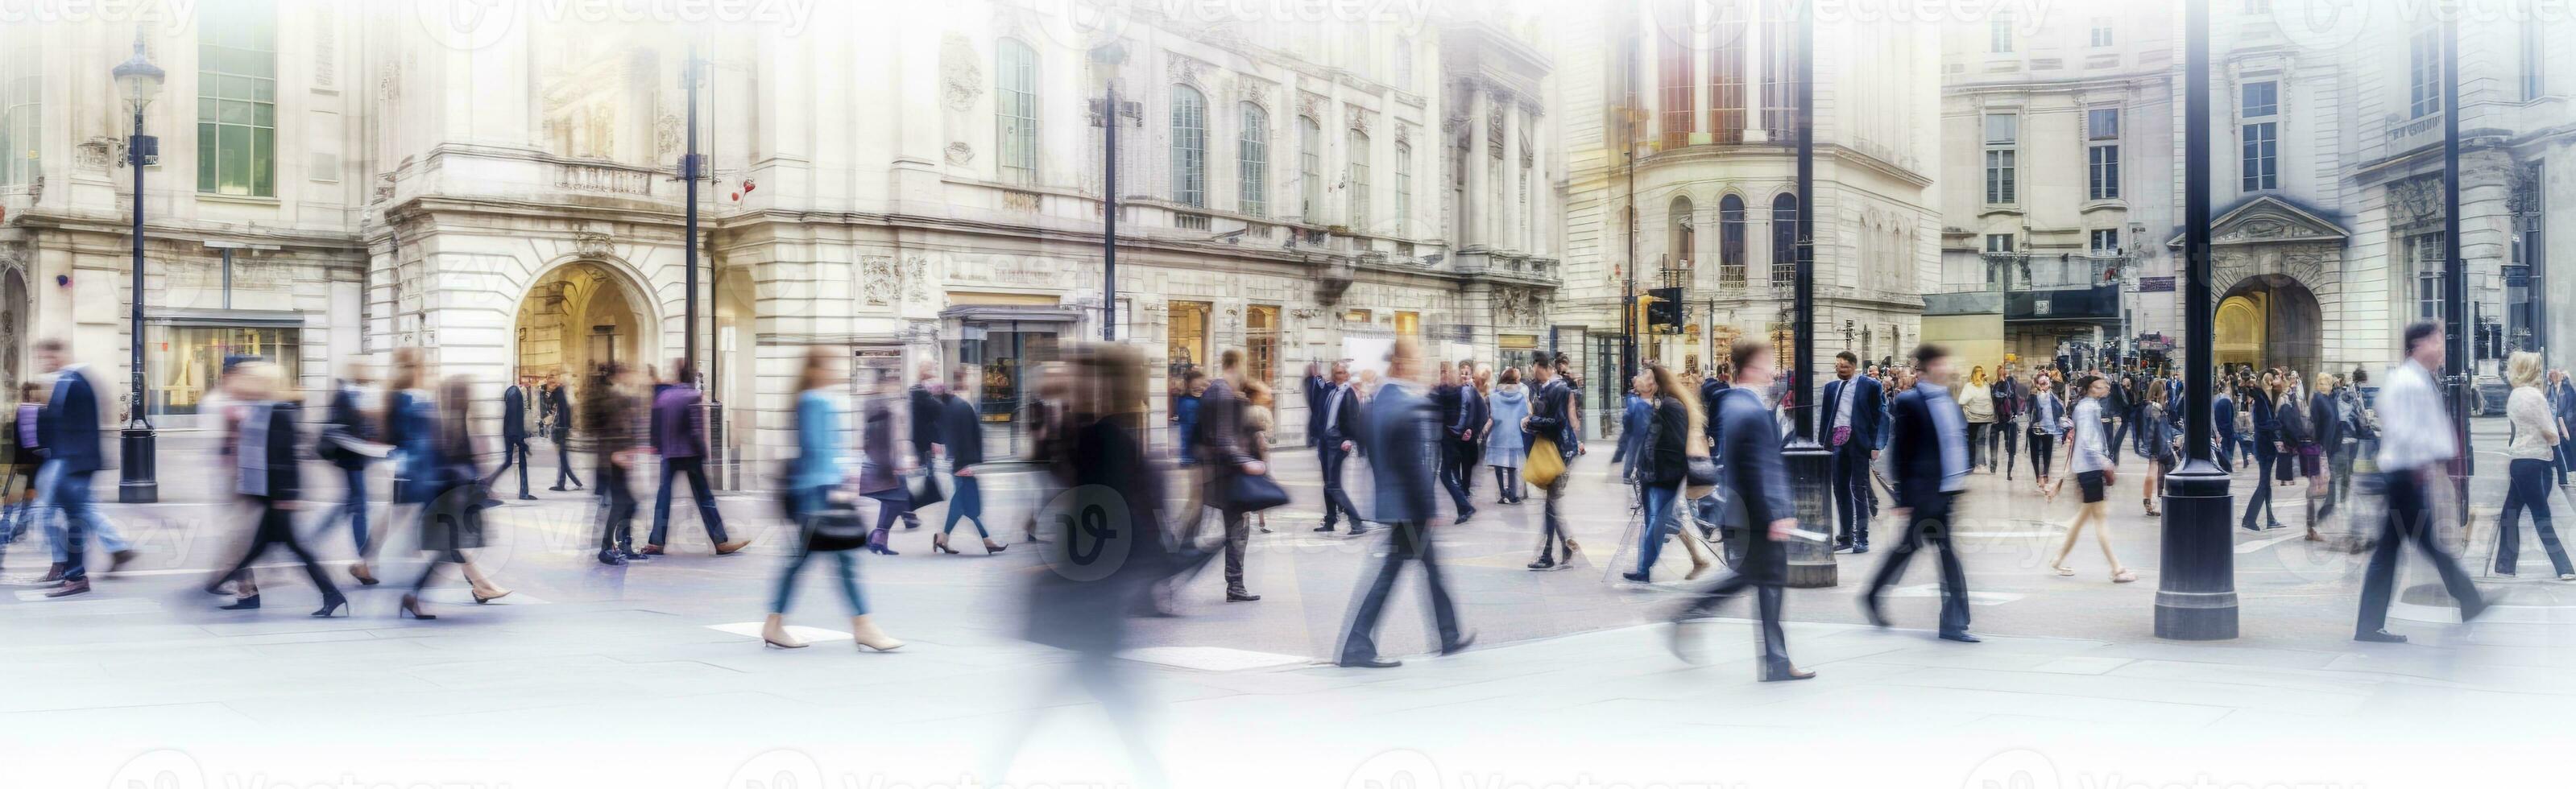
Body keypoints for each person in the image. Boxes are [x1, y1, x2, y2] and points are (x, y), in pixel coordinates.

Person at [1669, 338, 1812, 682]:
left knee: (1753, 578)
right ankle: (1775, 660)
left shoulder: (1734, 403)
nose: (1772, 370)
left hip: (1746, 511)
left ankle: (1772, 658)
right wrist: (1777, 512)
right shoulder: (1749, 409)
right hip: (1759, 513)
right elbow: (1761, 466)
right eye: (1767, 362)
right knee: (1767, 580)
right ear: (1751, 367)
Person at [1336, 337, 1472, 669]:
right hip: (1409, 506)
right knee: (1393, 575)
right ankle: (1357, 645)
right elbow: (1412, 463)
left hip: (1393, 501)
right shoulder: (1406, 404)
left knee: (1423, 570)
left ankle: (1448, 635)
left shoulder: (1379, 398)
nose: (1421, 367)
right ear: (1401, 364)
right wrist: (1427, 508)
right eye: (1416, 361)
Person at [763, 346, 905, 651]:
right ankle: (863, 627)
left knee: (803, 561)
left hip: (812, 490)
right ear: (818, 369)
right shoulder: (815, 400)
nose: (838, 370)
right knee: (841, 560)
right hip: (819, 492)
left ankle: (775, 624)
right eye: (832, 364)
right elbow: (817, 448)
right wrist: (839, 482)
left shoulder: (808, 399)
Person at [2354, 321, 2488, 643]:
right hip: (2405, 475)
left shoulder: (2418, 379)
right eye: (2436, 340)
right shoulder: (2408, 382)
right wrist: (2424, 463)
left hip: (2408, 474)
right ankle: (2469, 600)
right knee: (2410, 547)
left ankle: (2371, 625)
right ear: (2418, 345)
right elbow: (2403, 430)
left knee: (2402, 548)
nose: (2441, 347)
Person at [203, 362, 348, 617]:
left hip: (278, 496)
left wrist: (287, 496)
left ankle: (219, 582)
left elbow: (286, 459)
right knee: (275, 546)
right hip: (267, 493)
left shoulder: (279, 411)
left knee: (280, 547)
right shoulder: (259, 409)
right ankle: (331, 594)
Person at [1862, 345, 1978, 642]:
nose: (1947, 367)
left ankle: (1874, 595)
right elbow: (1902, 451)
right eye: (1941, 363)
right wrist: (1902, 498)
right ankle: (1952, 624)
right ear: (1925, 369)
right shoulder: (1911, 402)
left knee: (1911, 551)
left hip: (1947, 491)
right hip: (1925, 493)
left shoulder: (1948, 399)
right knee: (1940, 556)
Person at [31, 338, 133, 598]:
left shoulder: (73, 381)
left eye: (46, 357)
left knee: (68, 519)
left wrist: (66, 464)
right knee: (75, 518)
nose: (44, 363)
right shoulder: (71, 380)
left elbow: (77, 428)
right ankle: (72, 571)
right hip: (70, 462)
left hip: (72, 463)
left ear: (58, 355)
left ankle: (73, 575)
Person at [647, 360, 748, 556]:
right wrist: (703, 450)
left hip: (669, 454)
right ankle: (720, 541)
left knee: (664, 497)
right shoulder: (693, 396)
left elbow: (656, 426)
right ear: (692, 377)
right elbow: (695, 429)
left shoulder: (664, 396)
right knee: (704, 497)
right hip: (690, 454)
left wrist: (659, 447)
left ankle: (657, 542)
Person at [1185, 349, 1261, 601]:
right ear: (1237, 364)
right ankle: (1235, 585)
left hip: (1213, 471)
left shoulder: (1217, 392)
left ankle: (1233, 585)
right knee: (1236, 530)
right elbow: (1222, 438)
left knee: (1203, 528)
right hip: (1224, 474)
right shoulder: (1222, 392)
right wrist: (1247, 462)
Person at [2046, 375, 2136, 583]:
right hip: (2090, 469)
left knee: (2083, 518)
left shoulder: (2088, 406)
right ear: (2090, 389)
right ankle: (2116, 568)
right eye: (2098, 385)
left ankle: (2058, 559)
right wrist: (2104, 462)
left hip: (2086, 468)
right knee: (2100, 519)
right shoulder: (2088, 408)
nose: (2103, 387)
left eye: (2104, 384)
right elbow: (2087, 440)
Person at [2495, 352, 2575, 580]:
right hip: (2537, 461)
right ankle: (2565, 568)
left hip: (2519, 461)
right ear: (2531, 370)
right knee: (2541, 514)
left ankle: (2505, 565)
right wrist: (2556, 442)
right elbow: (2550, 431)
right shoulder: (2534, 396)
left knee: (2509, 514)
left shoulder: (2515, 395)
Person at [1623, 364, 1689, 583]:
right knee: (1653, 522)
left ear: (1659, 382)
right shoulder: (1659, 405)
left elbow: (1678, 444)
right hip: (1652, 473)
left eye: (1650, 379)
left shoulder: (1672, 406)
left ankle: (1644, 568)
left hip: (1665, 474)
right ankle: (1643, 568)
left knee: (1656, 523)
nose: (1646, 382)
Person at [318, 362, 382, 585]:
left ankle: (315, 537)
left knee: (351, 504)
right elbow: (340, 427)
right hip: (351, 458)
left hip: (358, 457)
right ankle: (362, 562)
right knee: (360, 506)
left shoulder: (363, 393)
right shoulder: (345, 395)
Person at [933, 366, 1007, 555]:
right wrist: (965, 464)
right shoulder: (959, 405)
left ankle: (945, 537)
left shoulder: (955, 403)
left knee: (963, 504)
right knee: (966, 504)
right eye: (973, 376)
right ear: (965, 379)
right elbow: (960, 436)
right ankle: (986, 540)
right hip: (963, 462)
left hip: (961, 461)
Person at [585, 363, 651, 565]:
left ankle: (623, 544)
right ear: (621, 375)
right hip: (612, 460)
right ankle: (607, 548)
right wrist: (617, 453)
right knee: (621, 504)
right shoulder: (613, 397)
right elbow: (610, 429)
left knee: (627, 503)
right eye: (631, 372)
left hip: (618, 459)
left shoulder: (623, 396)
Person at [1820, 352, 1885, 554]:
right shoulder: (1831, 388)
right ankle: (1846, 536)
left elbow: (1880, 415)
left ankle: (1862, 538)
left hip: (1858, 441)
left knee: (1859, 489)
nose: (1840, 369)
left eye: (1845, 367)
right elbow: (1826, 416)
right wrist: (1824, 443)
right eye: (1838, 366)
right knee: (1839, 488)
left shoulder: (1870, 386)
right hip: (1837, 442)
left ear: (1854, 366)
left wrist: (1876, 445)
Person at [1524, 358, 1580, 569]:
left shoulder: (1558, 389)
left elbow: (1556, 422)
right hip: (1556, 451)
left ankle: (1554, 551)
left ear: (1547, 368)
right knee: (1551, 505)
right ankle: (1564, 547)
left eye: (1536, 368)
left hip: (1558, 452)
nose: (1533, 372)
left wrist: (1531, 421)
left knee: (1552, 506)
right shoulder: (1548, 388)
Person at [1315, 360, 1368, 535]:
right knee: (1327, 484)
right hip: (1325, 440)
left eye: (1340, 373)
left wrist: (1349, 439)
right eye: (1335, 372)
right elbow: (1319, 408)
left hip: (1338, 442)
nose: (1337, 376)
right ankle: (1330, 521)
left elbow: (1354, 419)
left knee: (1333, 484)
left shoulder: (1348, 393)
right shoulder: (1331, 391)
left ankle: (1357, 522)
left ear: (1346, 375)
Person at [1444, 359, 1488, 523]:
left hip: (1468, 438)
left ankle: (1465, 492)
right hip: (1453, 437)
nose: (1464, 376)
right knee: (1454, 467)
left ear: (1471, 375)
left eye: (1467, 373)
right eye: (1462, 373)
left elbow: (1483, 414)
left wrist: (1473, 430)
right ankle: (1462, 496)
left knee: (1467, 467)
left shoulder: (1474, 392)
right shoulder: (1453, 390)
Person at [2, 382, 41, 562]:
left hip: (22, 466)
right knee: (20, 505)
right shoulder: (37, 413)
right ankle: (15, 532)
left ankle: (12, 534)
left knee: (16, 505)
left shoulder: (20, 413)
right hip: (27, 466)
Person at [2239, 372, 2283, 531]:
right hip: (2265, 446)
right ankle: (2249, 518)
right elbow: (2264, 424)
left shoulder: (2263, 397)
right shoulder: (2260, 399)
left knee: (2266, 483)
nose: (2272, 383)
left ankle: (2270, 518)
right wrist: (2280, 425)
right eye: (2269, 380)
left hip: (2266, 446)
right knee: (2264, 484)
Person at [487, 374, 537, 501]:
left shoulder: (512, 392)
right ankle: (486, 483)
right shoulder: (515, 392)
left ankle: (487, 483)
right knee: (517, 463)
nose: (529, 383)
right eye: (527, 379)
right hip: (514, 435)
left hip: (511, 434)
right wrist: (519, 440)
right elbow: (514, 418)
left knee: (510, 462)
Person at [1485, 367, 1530, 505]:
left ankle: (1502, 493)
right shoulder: (1521, 397)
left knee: (1498, 465)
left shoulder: (1492, 397)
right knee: (1512, 466)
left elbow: (1489, 416)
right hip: (1514, 436)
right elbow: (1525, 416)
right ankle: (1512, 494)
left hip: (1498, 434)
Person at [2307, 372, 2345, 523]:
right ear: (2317, 385)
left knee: (2330, 478)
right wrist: (2319, 446)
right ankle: (2313, 521)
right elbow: (2316, 424)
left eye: (2326, 383)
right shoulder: (2318, 400)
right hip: (2321, 447)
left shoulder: (2330, 399)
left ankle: (2325, 511)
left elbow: (2336, 420)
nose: (2324, 385)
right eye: (2321, 383)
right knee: (2316, 483)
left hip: (2332, 446)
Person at [2138, 380, 2175, 517]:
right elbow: (2154, 430)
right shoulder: (2154, 409)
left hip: (2156, 446)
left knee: (2154, 473)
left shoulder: (2153, 408)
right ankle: (2151, 502)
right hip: (2156, 446)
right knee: (2153, 474)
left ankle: (2150, 502)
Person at [545, 371, 582, 492]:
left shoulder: (560, 391)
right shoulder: (561, 391)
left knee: (563, 459)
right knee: (563, 458)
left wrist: (562, 428)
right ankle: (568, 482)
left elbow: (552, 406)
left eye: (553, 381)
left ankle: (566, 483)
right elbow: (552, 406)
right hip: (562, 428)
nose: (551, 383)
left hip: (560, 429)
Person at [2027, 373, 2065, 490]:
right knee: (2035, 454)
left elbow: (2061, 387)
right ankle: (2038, 475)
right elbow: (2029, 411)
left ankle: (2045, 475)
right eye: (2041, 383)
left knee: (2047, 453)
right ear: (2037, 384)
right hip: (2036, 428)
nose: (2044, 385)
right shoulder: (2034, 395)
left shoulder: (2053, 395)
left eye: (2046, 382)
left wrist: (2051, 380)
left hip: (2049, 428)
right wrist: (2035, 388)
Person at [1961, 366, 1994, 473]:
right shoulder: (1986, 386)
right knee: (1980, 440)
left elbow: (1962, 401)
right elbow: (1990, 401)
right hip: (1985, 417)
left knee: (1971, 441)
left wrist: (1972, 399)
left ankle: (1971, 464)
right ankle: (1980, 464)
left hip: (1971, 418)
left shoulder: (1969, 386)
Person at [1991, 368, 2023, 479]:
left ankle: (2006, 471)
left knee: (2008, 447)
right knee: (2000, 445)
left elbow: (2011, 396)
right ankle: (1995, 466)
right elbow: (1999, 396)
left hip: (2006, 418)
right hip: (2002, 418)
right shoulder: (1997, 385)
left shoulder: (2007, 383)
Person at [1173, 370, 1206, 468]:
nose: (1201, 383)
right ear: (1192, 382)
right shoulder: (1188, 401)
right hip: (1191, 452)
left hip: (1192, 449)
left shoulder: (1188, 397)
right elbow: (1189, 428)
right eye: (1199, 381)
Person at [2211, 380, 2238, 475]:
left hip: (2219, 429)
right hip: (2225, 429)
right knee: (2226, 448)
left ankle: (2226, 465)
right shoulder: (2225, 400)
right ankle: (2227, 466)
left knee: (2223, 448)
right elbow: (2230, 418)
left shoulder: (2214, 400)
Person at [1302, 361, 1330, 449]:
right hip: (1313, 404)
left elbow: (1323, 387)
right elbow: (1308, 391)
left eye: (1314, 368)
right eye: (1312, 369)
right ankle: (1311, 440)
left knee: (1317, 422)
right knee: (1313, 422)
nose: (1313, 370)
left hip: (1319, 404)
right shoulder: (1308, 380)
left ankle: (1316, 439)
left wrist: (1319, 376)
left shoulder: (1319, 378)